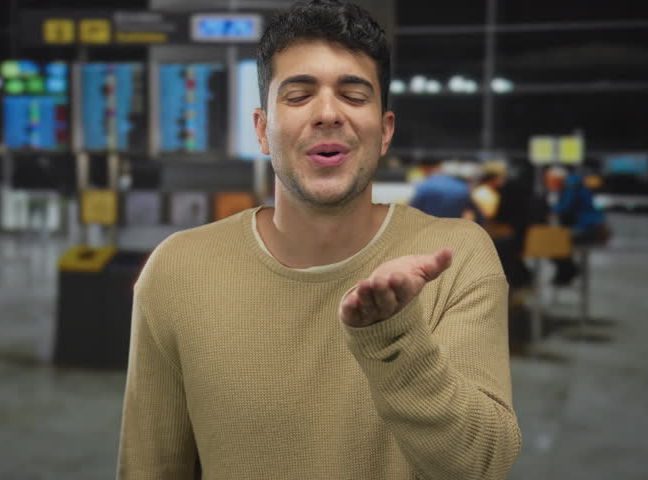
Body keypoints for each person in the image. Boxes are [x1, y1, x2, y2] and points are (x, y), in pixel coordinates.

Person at [117, 1, 521, 479]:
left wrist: (394, 338)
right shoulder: (178, 270)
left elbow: (484, 464)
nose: (328, 113)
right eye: (298, 95)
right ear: (262, 131)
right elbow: (149, 468)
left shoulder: (454, 258)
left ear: (385, 131)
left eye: (353, 95)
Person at [550, 171, 608, 285]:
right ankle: (567, 271)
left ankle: (567, 271)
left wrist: (550, 209)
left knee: (553, 243)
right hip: (592, 228)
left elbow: (566, 207)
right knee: (557, 244)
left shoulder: (572, 187)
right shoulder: (580, 186)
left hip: (586, 229)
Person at [409, 157, 483, 222]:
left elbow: (412, 210)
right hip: (454, 231)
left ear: (423, 168)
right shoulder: (461, 187)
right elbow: (478, 214)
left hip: (430, 231)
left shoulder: (425, 187)